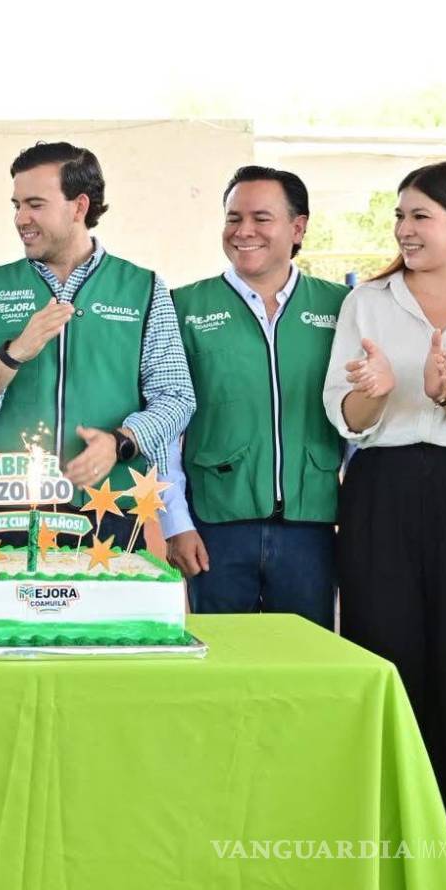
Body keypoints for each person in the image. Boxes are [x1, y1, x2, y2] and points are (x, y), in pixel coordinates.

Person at [323, 160, 446, 879]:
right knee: (390, 653)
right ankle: (394, 846)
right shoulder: (370, 302)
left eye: (421, 216)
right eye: (400, 216)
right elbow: (345, 415)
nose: (405, 229)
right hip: (382, 490)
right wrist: (377, 393)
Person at [0, 142, 194, 548]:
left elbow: (176, 397)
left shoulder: (143, 289)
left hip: (111, 513)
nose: (21, 219)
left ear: (79, 207)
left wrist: (121, 441)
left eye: (35, 204)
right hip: (3, 515)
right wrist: (13, 354)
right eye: (16, 205)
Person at [161, 166, 348, 629]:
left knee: (307, 669)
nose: (243, 231)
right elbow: (165, 427)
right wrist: (176, 523)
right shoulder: (182, 307)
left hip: (314, 529)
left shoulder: (343, 306)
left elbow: (360, 424)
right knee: (221, 670)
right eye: (232, 218)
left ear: (298, 227)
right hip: (215, 528)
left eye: (261, 218)